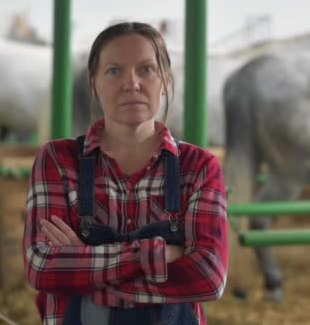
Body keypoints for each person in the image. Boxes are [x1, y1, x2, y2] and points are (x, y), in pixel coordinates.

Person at [22, 21, 228, 325]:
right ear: (94, 83)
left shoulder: (198, 167)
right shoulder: (57, 160)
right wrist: (159, 254)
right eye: (114, 71)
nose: (131, 83)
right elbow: (41, 266)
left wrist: (87, 264)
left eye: (146, 69)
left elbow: (209, 277)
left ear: (166, 80)